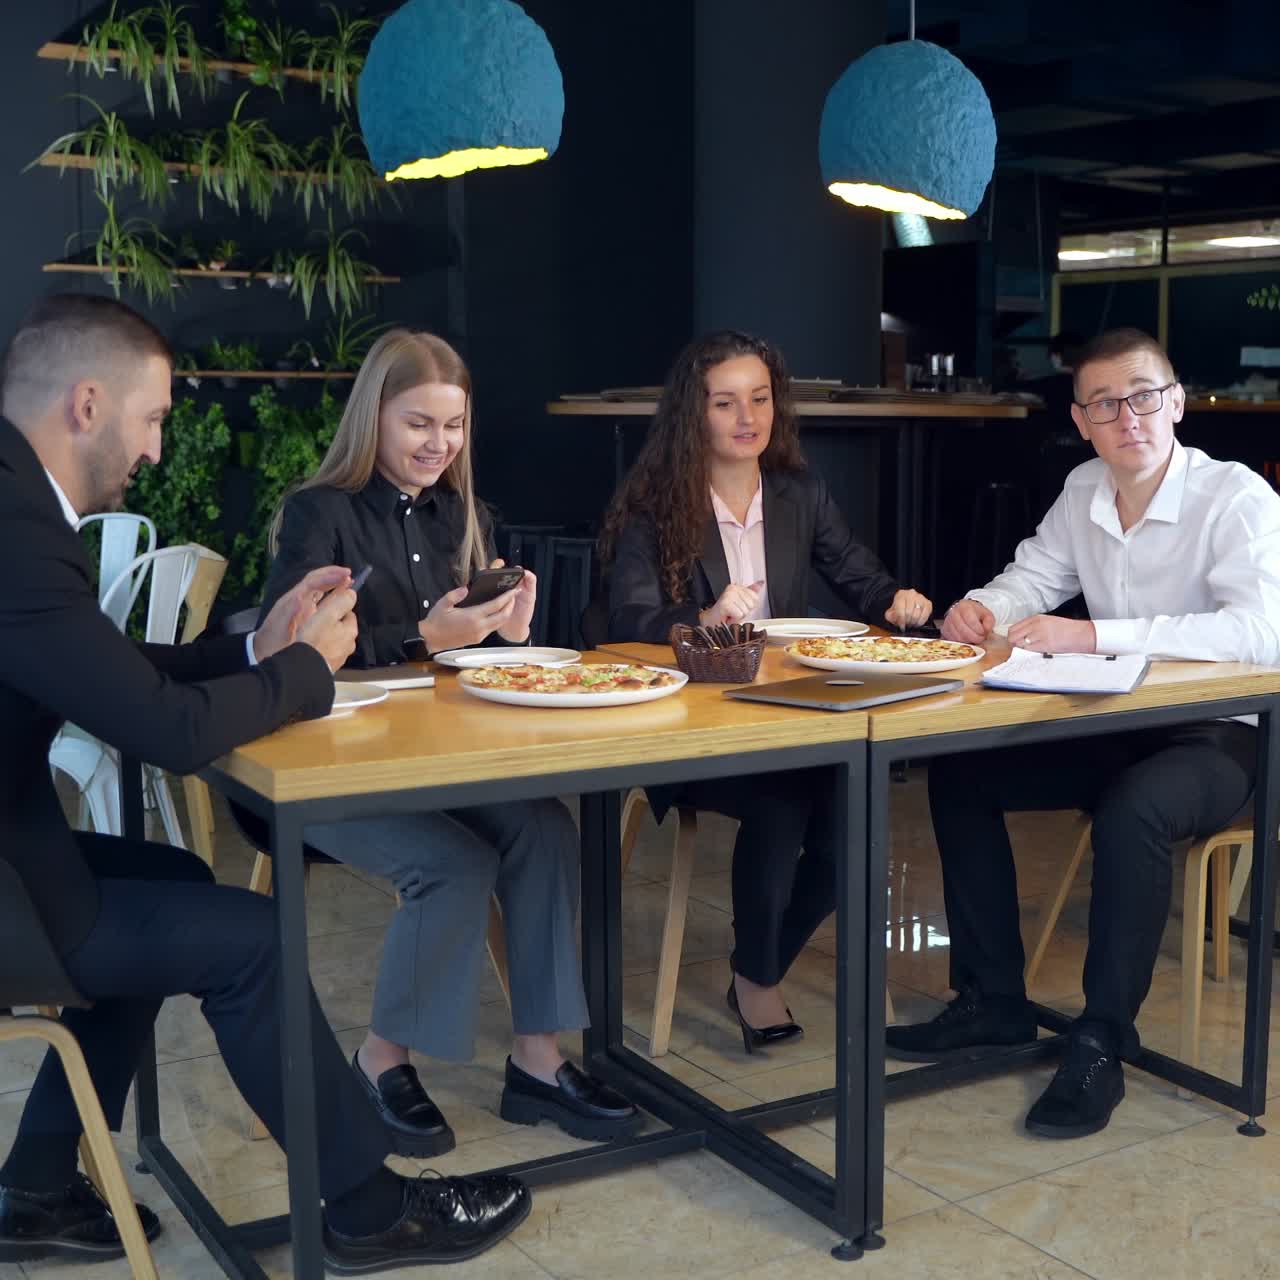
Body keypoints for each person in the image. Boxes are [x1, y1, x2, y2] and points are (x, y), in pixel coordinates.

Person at [0, 295, 529, 1270]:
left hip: (18, 846)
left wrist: (257, 646)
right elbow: (167, 731)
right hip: (11, 886)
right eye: (154, 418)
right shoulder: (18, 531)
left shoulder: (18, 508)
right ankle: (368, 1209)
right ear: (87, 404)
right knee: (250, 938)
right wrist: (306, 670)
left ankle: (33, 1185)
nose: (155, 448)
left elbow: (112, 670)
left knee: (175, 882)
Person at [887, 327, 1280, 1139]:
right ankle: (994, 1000)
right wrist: (984, 608)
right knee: (961, 772)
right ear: (1081, 420)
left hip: (1223, 735)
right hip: (1119, 718)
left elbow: (1259, 634)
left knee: (1134, 809)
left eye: (1143, 397)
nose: (1127, 417)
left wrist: (1097, 635)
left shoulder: (1236, 497)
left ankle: (1102, 1042)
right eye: (1105, 404)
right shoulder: (1084, 490)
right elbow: (1035, 575)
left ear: (1176, 402)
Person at [256, 328, 638, 1155]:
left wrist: (508, 629)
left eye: (454, 426)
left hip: (436, 756)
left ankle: (537, 1061)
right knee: (454, 865)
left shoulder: (464, 515)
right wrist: (422, 636)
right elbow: (289, 650)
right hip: (327, 764)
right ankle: (380, 1060)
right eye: (419, 424)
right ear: (374, 418)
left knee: (546, 828)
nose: (439, 445)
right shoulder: (320, 513)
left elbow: (461, 655)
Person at [600, 330, 933, 1047]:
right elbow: (627, 617)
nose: (747, 417)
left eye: (760, 399)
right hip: (696, 725)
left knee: (855, 812)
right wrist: (701, 619)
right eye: (725, 403)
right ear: (694, 413)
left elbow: (859, 575)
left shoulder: (798, 493)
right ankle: (757, 983)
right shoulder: (655, 505)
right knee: (784, 799)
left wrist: (895, 601)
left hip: (787, 713)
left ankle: (758, 961)